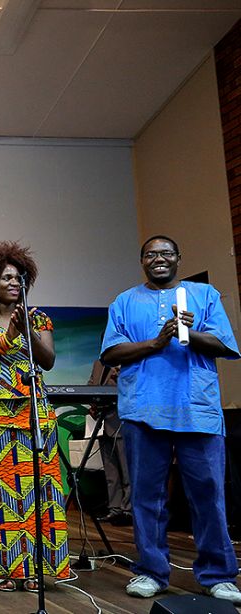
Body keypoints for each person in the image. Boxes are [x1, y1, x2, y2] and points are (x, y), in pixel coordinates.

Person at [101, 235, 240, 604]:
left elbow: (225, 346)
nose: (158, 258)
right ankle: (150, 572)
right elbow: (112, 351)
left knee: (208, 494)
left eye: (165, 253)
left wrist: (188, 333)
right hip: (144, 409)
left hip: (196, 409)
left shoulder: (204, 296)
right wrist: (157, 342)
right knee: (148, 496)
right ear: (142, 261)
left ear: (179, 258)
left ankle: (218, 575)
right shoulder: (124, 302)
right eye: (150, 254)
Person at [0, 241, 70, 593]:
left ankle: (37, 568)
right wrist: (8, 338)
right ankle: (7, 568)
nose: (14, 282)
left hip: (33, 413)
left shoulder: (38, 319)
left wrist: (27, 331)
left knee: (39, 492)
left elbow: (48, 360)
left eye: (19, 277)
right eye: (6, 277)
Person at [85, 360, 131, 526]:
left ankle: (128, 510)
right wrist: (91, 403)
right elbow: (91, 384)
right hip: (101, 423)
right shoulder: (98, 363)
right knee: (111, 472)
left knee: (127, 470)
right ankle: (115, 508)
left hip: (120, 420)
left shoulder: (127, 361)